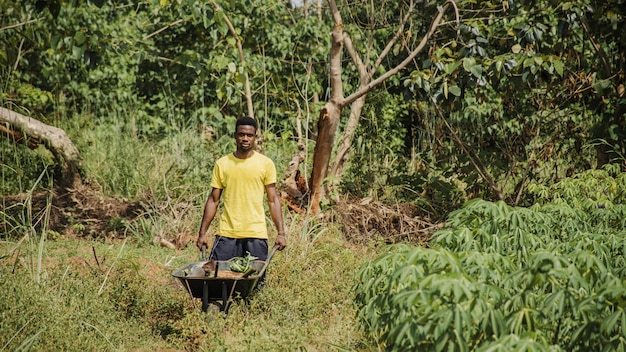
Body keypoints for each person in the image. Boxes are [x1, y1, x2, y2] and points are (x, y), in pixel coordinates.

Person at [196, 116, 287, 263]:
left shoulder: (265, 164)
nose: (245, 138)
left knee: (255, 281)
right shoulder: (222, 164)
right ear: (235, 136)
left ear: (255, 137)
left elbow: (273, 200)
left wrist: (281, 233)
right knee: (218, 277)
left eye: (249, 135)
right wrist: (202, 233)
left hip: (256, 234)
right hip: (227, 233)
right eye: (241, 134)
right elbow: (213, 200)